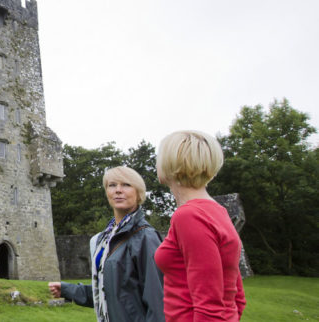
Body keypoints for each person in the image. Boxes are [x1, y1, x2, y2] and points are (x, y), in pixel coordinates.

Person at [49, 166, 165, 322]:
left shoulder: (145, 237)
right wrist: (69, 289)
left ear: (138, 193)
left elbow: (157, 302)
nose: (118, 190)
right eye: (112, 185)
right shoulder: (104, 239)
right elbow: (111, 292)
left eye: (126, 185)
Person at [154, 130, 246, 321]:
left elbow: (209, 305)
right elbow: (237, 294)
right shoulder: (217, 211)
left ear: (172, 163)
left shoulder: (189, 216)